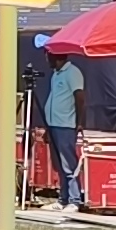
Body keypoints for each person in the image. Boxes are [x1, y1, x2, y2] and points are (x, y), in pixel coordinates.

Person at [42, 51, 86, 209]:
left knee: (69, 164)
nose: (46, 60)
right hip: (53, 125)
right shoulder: (56, 74)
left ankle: (75, 199)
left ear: (56, 57)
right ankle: (63, 199)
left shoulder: (72, 72)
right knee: (59, 165)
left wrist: (78, 123)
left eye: (48, 57)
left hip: (66, 125)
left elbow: (80, 98)